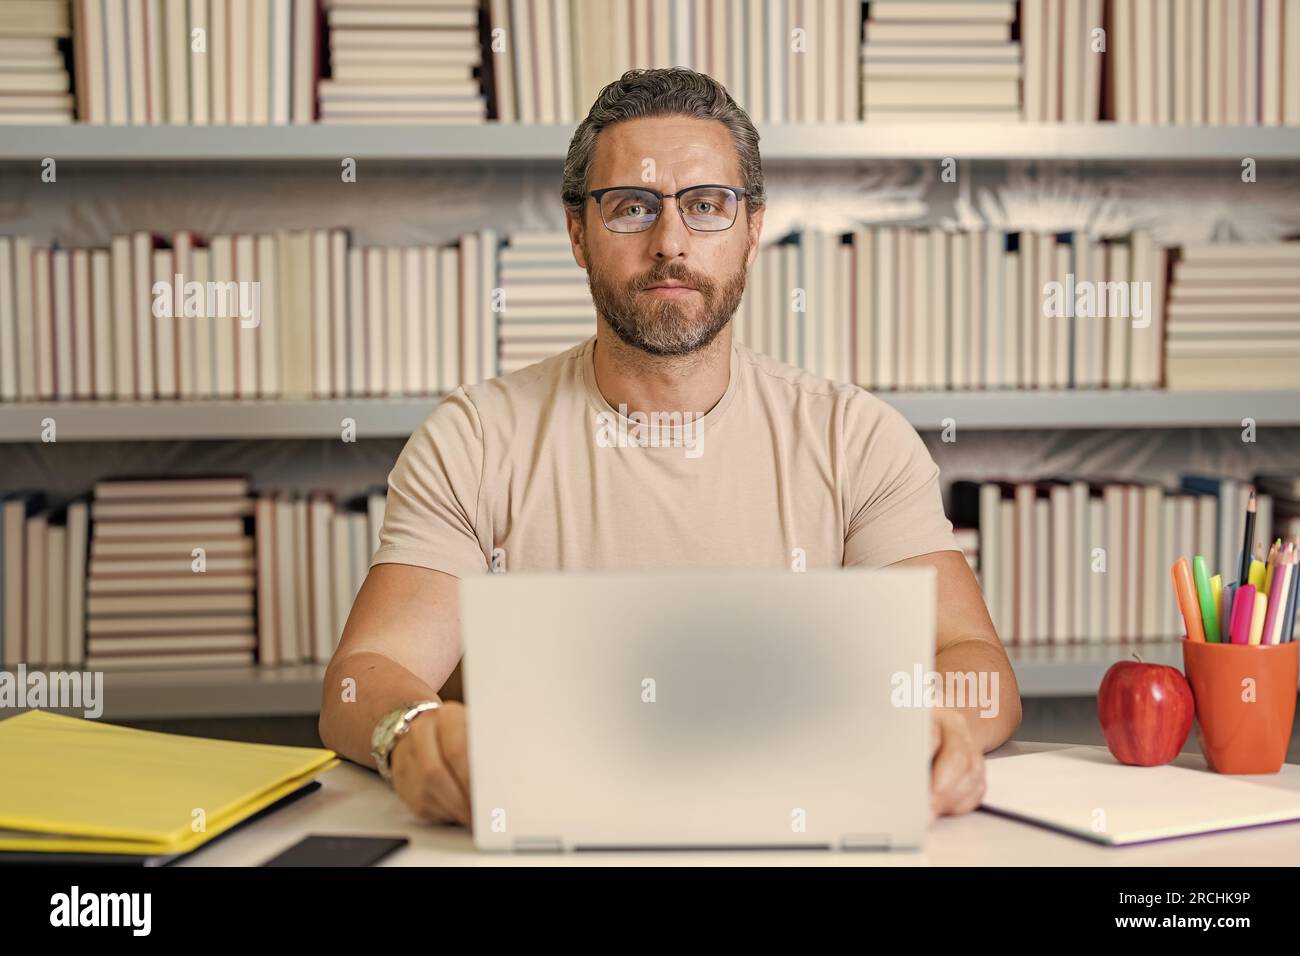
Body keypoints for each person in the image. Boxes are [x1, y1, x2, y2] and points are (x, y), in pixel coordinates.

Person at [319, 67, 1021, 829]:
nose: (671, 243)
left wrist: (929, 724)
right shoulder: (473, 439)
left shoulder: (854, 438)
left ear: (752, 229)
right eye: (631, 208)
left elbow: (973, 663)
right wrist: (408, 735)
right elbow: (365, 676)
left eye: (707, 206)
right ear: (578, 233)